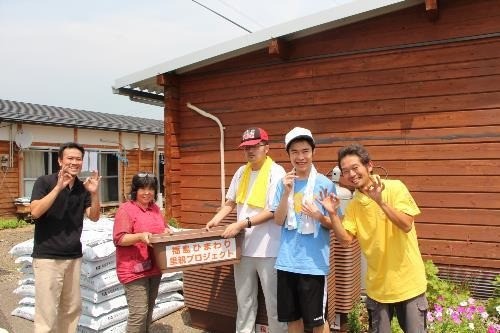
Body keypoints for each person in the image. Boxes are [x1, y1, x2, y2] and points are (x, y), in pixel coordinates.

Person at [318, 143, 428, 333]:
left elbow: (406, 224)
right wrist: (333, 214)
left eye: (355, 168)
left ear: (369, 166)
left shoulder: (394, 188)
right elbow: (345, 240)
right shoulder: (353, 205)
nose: (351, 174)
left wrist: (380, 202)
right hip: (377, 288)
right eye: (345, 171)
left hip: (408, 284)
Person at [205, 127, 287, 333]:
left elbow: (273, 210)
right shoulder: (241, 172)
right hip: (242, 249)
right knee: (244, 302)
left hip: (270, 250)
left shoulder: (277, 172)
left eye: (255, 146)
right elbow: (230, 202)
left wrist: (241, 224)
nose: (250, 151)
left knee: (274, 303)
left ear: (266, 147)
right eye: (246, 148)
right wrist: (215, 219)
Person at [271, 127, 338, 333]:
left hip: (313, 265)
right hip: (286, 261)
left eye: (305, 151)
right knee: (292, 320)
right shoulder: (284, 183)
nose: (300, 157)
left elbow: (334, 224)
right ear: (288, 155)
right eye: (295, 152)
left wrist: (318, 215)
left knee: (317, 322)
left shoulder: (325, 184)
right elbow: (278, 220)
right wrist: (286, 194)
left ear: (313, 152)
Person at [30, 142, 101, 333]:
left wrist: (94, 194)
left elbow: (94, 216)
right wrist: (58, 188)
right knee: (46, 311)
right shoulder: (44, 182)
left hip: (73, 256)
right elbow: (35, 212)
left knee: (71, 309)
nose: (74, 162)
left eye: (78, 159)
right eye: (70, 158)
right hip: (47, 256)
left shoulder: (81, 187)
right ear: (60, 160)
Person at [113, 172, 171, 333]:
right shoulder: (126, 209)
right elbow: (119, 238)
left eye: (151, 188)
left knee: (148, 310)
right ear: (135, 190)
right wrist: (140, 236)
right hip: (133, 269)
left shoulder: (155, 209)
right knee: (138, 313)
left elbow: (163, 228)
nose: (147, 192)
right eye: (142, 188)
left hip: (154, 267)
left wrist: (166, 231)